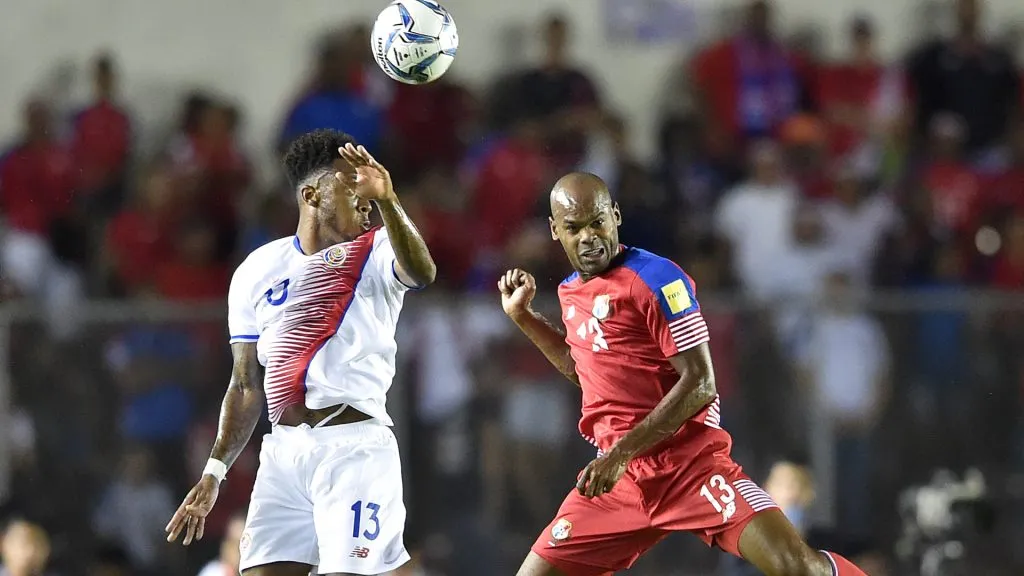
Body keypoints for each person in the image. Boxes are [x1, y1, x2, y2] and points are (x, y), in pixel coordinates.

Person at [497, 172, 866, 575]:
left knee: (795, 567)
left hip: (690, 467)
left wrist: (621, 452)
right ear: (555, 230)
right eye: (574, 227)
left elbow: (701, 382)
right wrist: (524, 317)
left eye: (597, 222)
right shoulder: (571, 291)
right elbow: (584, 370)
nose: (588, 237)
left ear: (615, 216)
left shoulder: (657, 279)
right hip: (619, 483)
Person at [165, 129, 436, 576]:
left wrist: (389, 200)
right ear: (312, 194)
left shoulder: (378, 250)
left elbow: (422, 272)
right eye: (353, 187)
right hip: (284, 453)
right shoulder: (256, 271)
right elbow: (245, 384)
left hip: (355, 449)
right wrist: (215, 471)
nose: (364, 198)